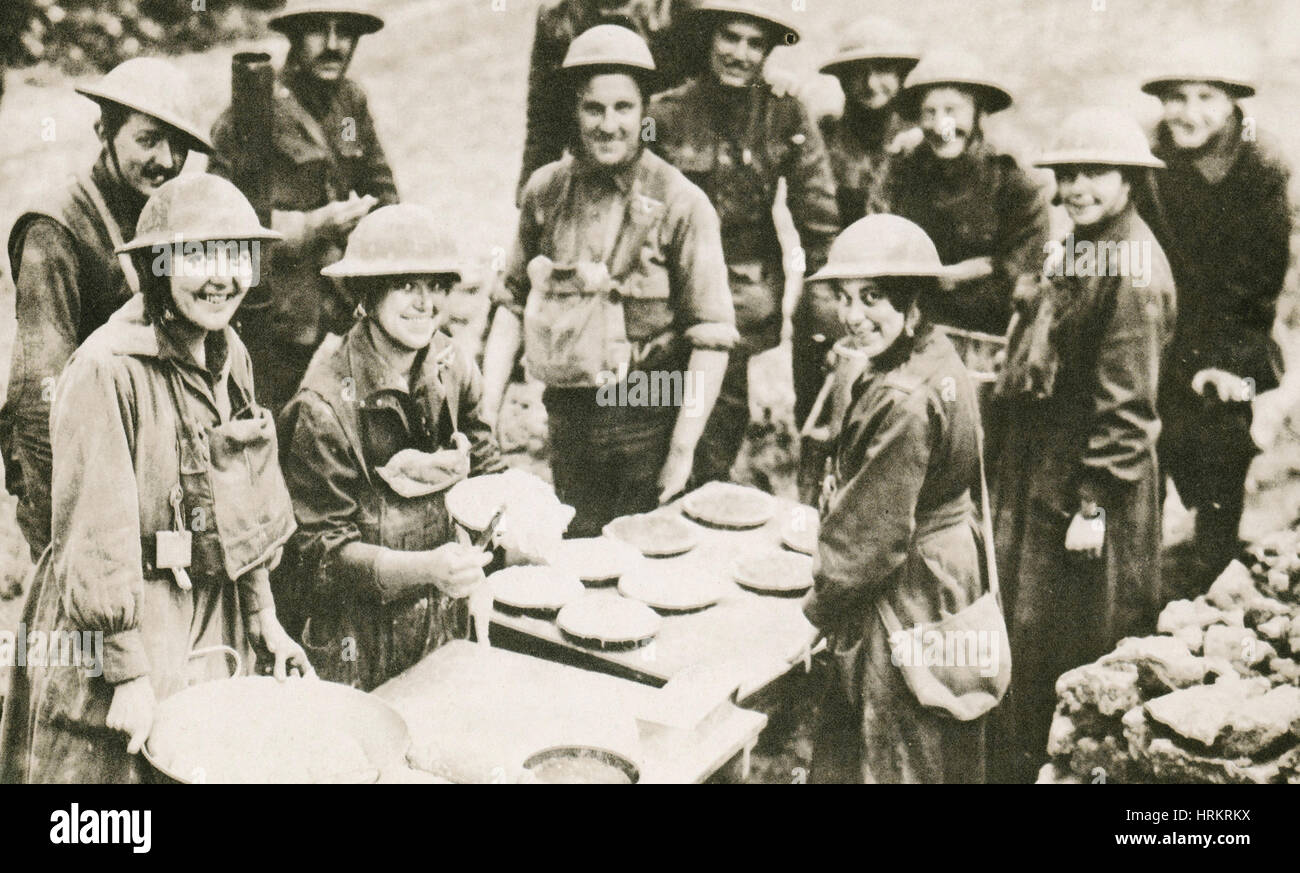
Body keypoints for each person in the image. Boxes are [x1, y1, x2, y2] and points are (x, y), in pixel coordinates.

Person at [0, 174, 312, 784]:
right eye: (197, 254)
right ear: (157, 266)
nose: (222, 275)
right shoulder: (104, 370)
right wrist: (127, 674)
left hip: (208, 613)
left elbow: (242, 502)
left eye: (237, 255)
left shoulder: (231, 354)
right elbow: (95, 538)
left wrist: (262, 615)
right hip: (120, 621)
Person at [481, 25, 736, 537]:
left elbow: (711, 338)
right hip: (570, 415)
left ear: (644, 114)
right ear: (574, 112)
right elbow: (511, 303)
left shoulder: (681, 202)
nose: (608, 125)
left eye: (623, 108)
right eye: (593, 108)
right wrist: (485, 415)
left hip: (650, 409)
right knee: (580, 554)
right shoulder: (545, 191)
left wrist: (683, 449)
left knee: (647, 565)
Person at [990, 108, 1175, 783]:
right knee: (1030, 625)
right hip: (1045, 464)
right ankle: (1020, 760)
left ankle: (1075, 765)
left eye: (1094, 173)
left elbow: (1128, 407)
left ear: (1127, 179)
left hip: (1097, 481)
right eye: (1067, 174)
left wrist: (1093, 506)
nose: (1077, 187)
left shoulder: (1136, 271)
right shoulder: (1082, 244)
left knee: (1086, 636)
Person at [277, 205, 504, 690]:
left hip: (444, 622)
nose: (426, 304)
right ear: (368, 292)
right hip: (355, 645)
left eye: (437, 285)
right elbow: (319, 555)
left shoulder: (452, 365)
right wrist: (426, 567)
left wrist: (509, 528)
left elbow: (488, 472)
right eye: (406, 285)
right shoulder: (322, 406)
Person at [801, 214, 988, 784]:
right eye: (845, 298)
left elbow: (868, 541)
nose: (853, 317)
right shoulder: (933, 357)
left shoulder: (904, 398)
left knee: (894, 746)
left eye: (873, 298)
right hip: (946, 570)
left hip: (907, 586)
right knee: (937, 731)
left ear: (914, 305)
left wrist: (818, 613)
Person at [0, 58, 211, 561]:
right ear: (105, 130)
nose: (167, 160)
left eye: (178, 144)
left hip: (152, 467)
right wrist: (71, 532)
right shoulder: (54, 231)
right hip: (84, 477)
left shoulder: (164, 215)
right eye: (148, 140)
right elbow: (39, 399)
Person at [647, 0, 839, 486]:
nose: (740, 53)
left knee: (718, 430)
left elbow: (817, 220)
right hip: (666, 297)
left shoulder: (786, 111)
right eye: (730, 37)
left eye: (756, 43)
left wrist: (830, 314)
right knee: (654, 422)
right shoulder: (664, 113)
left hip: (739, 299)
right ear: (708, 39)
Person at [1134, 45, 1293, 590]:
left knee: (1224, 436)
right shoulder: (1147, 160)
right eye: (1177, 97)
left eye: (1206, 97)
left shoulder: (1262, 166)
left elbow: (1257, 285)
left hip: (1233, 331)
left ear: (1231, 105)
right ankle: (1136, 577)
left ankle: (1214, 570)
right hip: (1162, 326)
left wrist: (1225, 363)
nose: (1189, 112)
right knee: (1141, 441)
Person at [209, 0, 398, 413]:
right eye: (318, 30)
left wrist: (373, 225)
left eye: (345, 32)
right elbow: (218, 227)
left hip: (343, 310)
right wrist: (310, 226)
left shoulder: (350, 102)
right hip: (276, 321)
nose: (333, 45)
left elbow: (383, 190)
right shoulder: (253, 110)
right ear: (293, 35)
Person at [794, 17, 921, 502]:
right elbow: (815, 234)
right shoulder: (823, 136)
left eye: (885, 69)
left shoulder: (918, 139)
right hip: (830, 290)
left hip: (893, 301)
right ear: (841, 79)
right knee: (822, 427)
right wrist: (831, 323)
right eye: (859, 72)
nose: (872, 84)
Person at [884, 49, 1050, 337]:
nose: (941, 126)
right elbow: (881, 238)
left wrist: (980, 269)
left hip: (990, 327)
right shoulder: (902, 171)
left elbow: (1028, 264)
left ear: (977, 113)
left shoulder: (1012, 177)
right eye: (930, 112)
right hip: (913, 321)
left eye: (952, 111)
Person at [517, 0, 698, 198]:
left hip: (659, 155)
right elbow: (545, 116)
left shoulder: (667, 11)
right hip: (589, 162)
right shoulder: (559, 19)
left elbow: (680, 102)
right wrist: (532, 184)